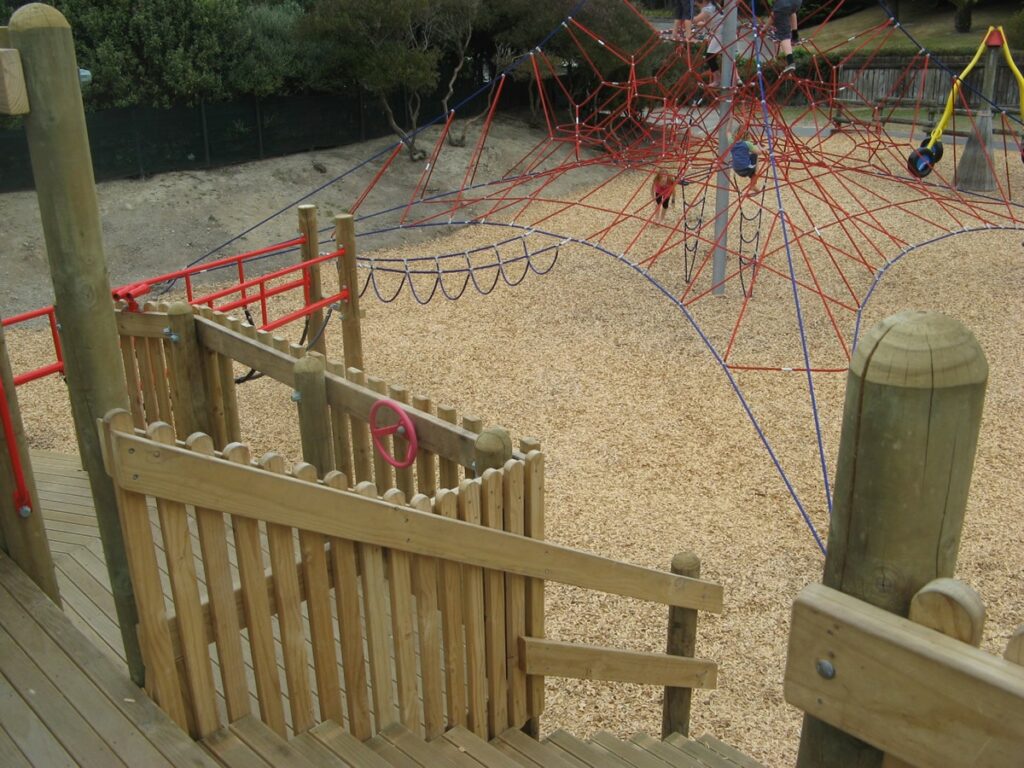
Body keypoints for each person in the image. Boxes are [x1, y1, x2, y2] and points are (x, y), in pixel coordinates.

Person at [693, 0, 724, 89]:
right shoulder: (714, 6)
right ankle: (734, 79)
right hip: (724, 32)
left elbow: (694, 20)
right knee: (724, 56)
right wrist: (700, 24)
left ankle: (718, 80)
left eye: (697, 4)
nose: (698, 7)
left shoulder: (707, 9)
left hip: (720, 34)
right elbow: (712, 21)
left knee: (710, 57)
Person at [772, 0, 803, 74]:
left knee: (783, 35)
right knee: (792, 11)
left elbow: (773, 15)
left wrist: (764, 29)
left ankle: (790, 62)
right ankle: (795, 36)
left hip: (782, 5)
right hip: (797, 2)